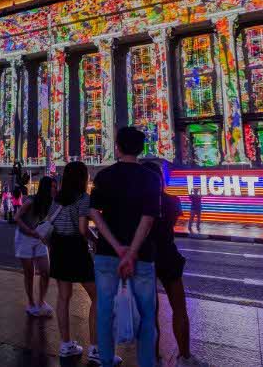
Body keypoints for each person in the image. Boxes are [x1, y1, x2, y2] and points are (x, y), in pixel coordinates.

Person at [89, 127, 161, 367]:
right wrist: (131, 251)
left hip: (108, 256)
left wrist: (117, 247)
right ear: (141, 149)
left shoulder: (103, 176)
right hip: (141, 256)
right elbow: (148, 217)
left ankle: (106, 362)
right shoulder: (151, 177)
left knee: (105, 313)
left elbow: (93, 213)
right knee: (148, 317)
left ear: (117, 147)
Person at [46, 161, 111, 363]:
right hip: (75, 248)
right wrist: (95, 240)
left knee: (63, 297)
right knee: (97, 295)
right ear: (83, 178)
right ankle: (95, 348)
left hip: (58, 248)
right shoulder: (83, 198)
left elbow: (52, 222)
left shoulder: (57, 198)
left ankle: (66, 344)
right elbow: (83, 229)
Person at [142, 162, 203, 367]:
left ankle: (153, 357)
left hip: (145, 257)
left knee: (149, 312)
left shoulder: (139, 204)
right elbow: (174, 222)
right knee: (179, 308)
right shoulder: (172, 201)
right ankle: (184, 357)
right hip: (168, 254)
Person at [14, 175, 55, 317]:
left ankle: (41, 301)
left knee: (45, 271)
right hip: (24, 237)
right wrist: (30, 232)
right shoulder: (31, 201)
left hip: (38, 238)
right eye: (53, 186)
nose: (55, 189)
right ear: (46, 188)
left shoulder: (51, 203)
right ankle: (31, 303)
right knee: (29, 273)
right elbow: (17, 218)